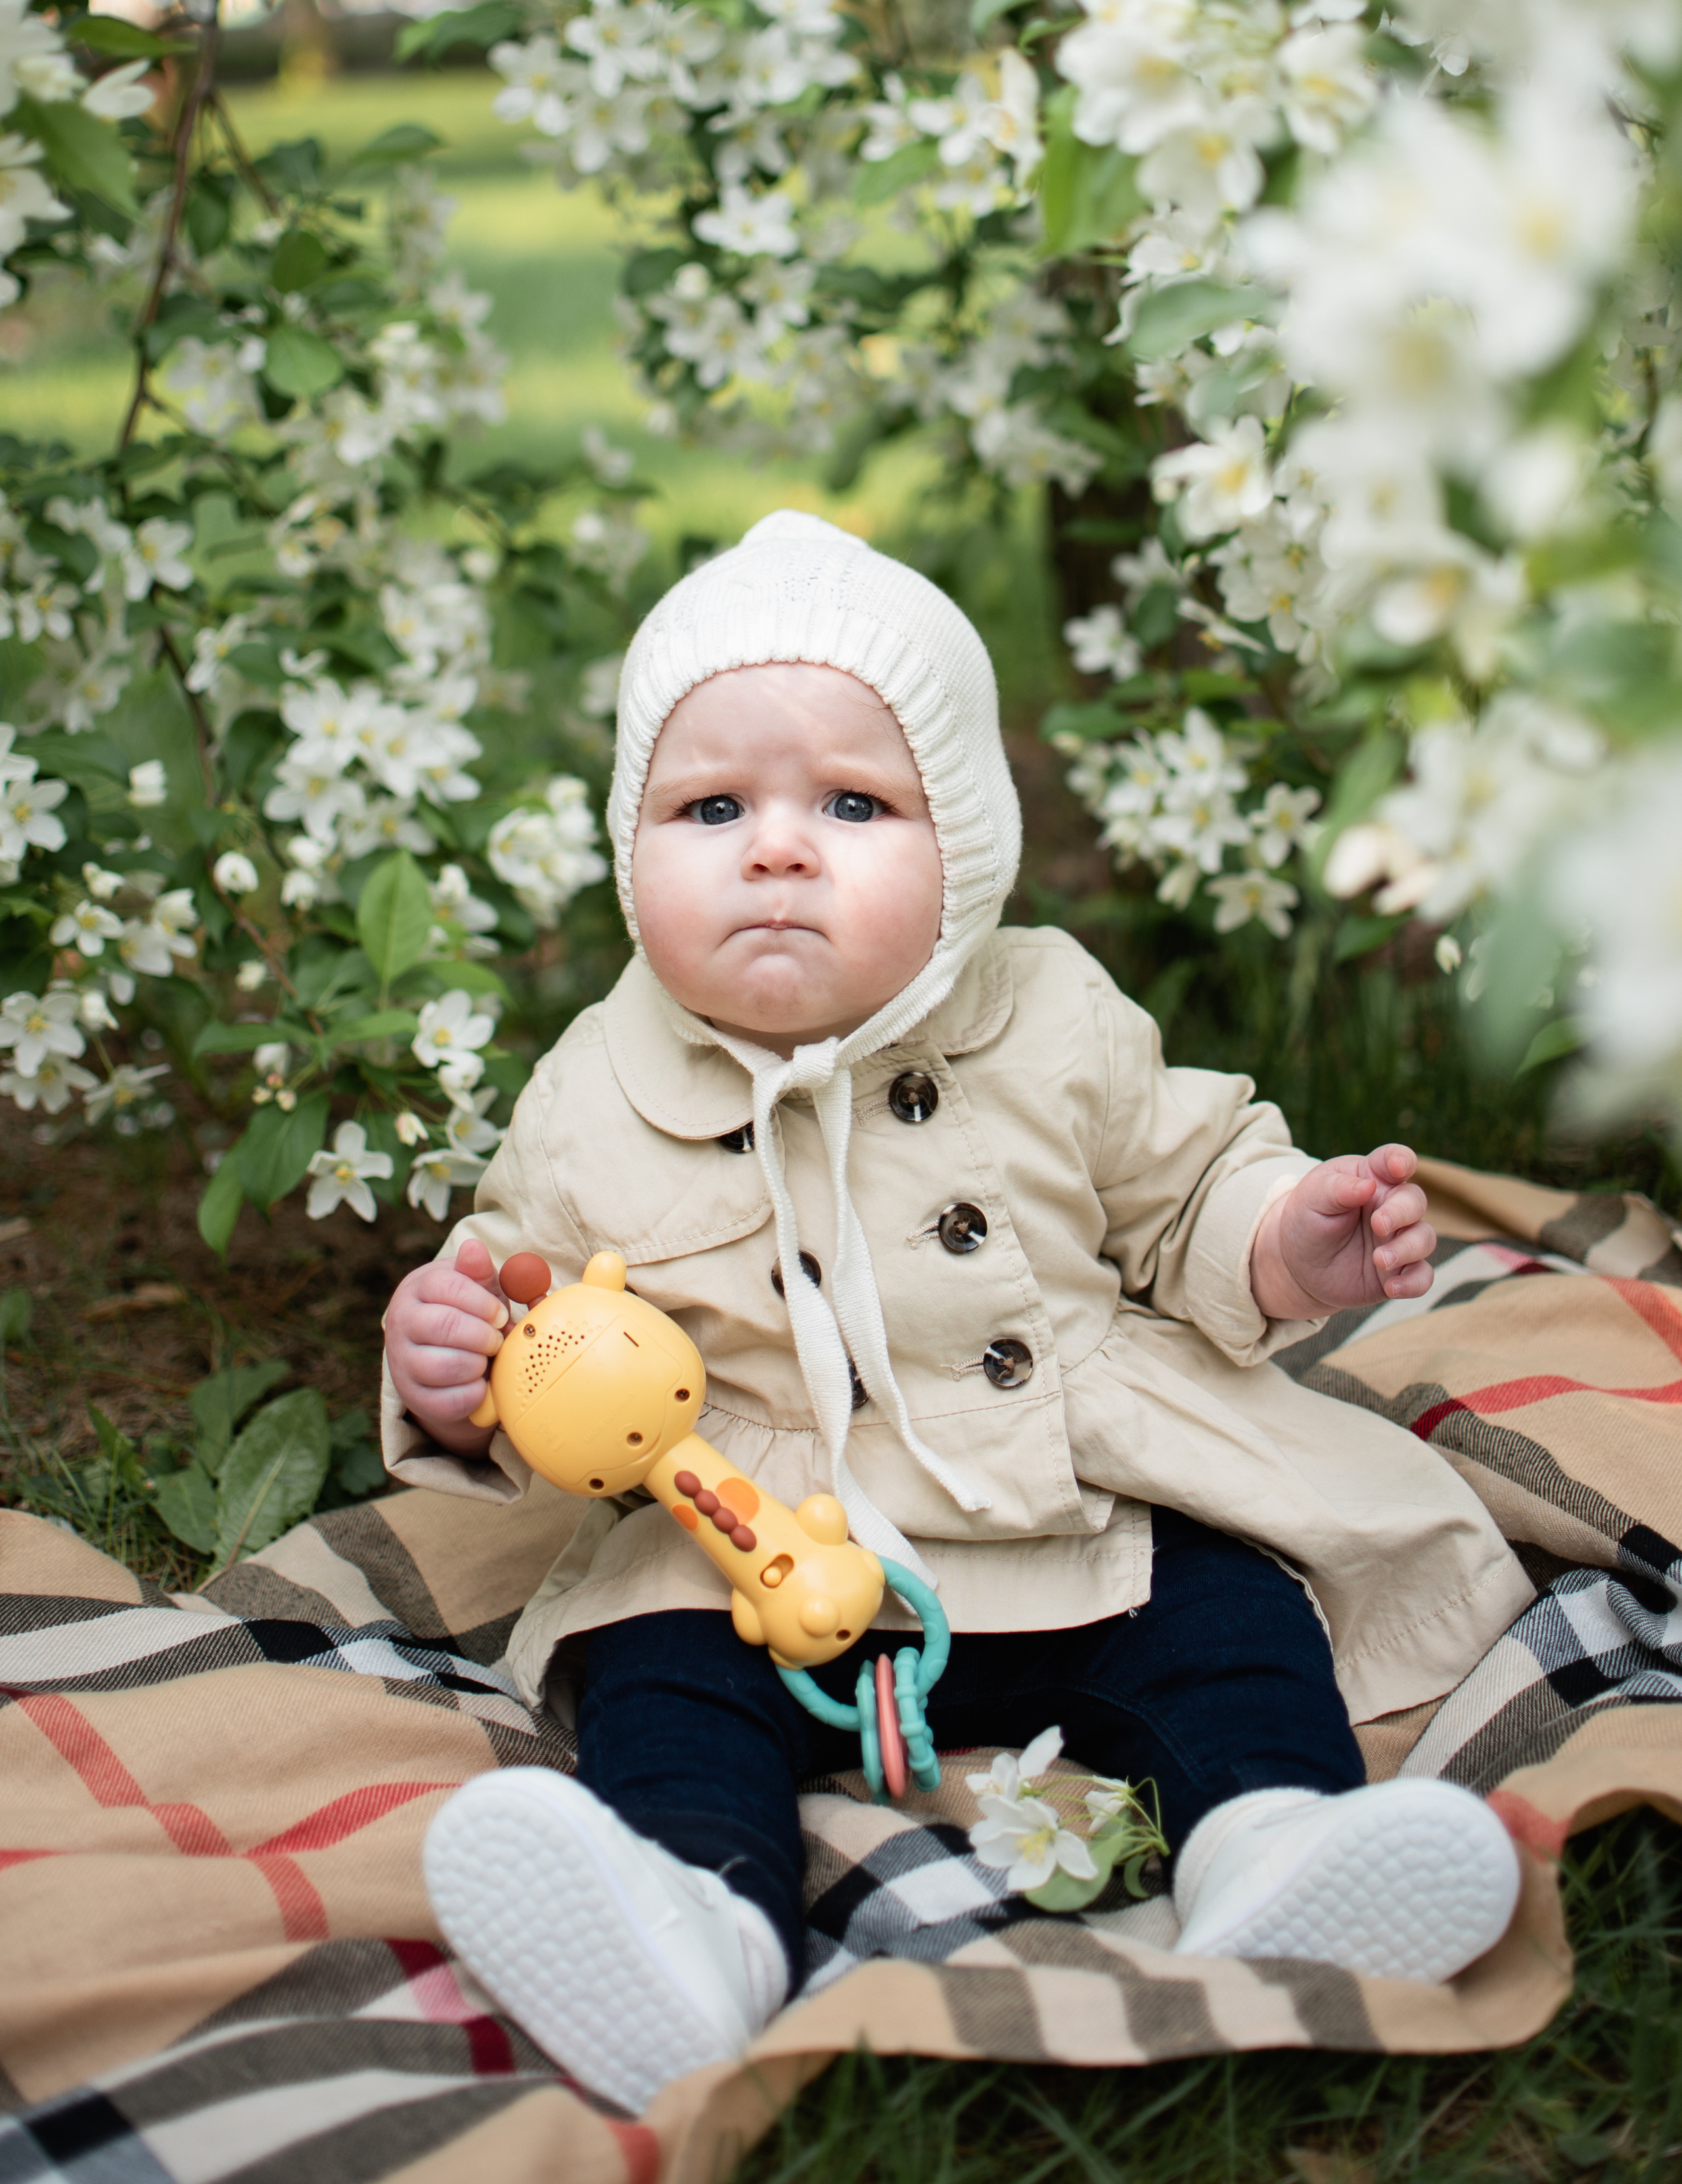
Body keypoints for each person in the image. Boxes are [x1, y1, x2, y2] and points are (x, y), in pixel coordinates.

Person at [384, 512, 1533, 2116]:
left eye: (852, 804)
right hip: (745, 1534)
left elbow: (1182, 1182)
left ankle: (1275, 1847)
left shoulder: (1050, 1008)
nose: (776, 848)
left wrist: (1292, 1242)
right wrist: (453, 1369)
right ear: (629, 841)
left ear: (969, 844)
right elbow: (523, 1306)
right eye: (709, 806)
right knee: (661, 1690)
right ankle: (685, 1923)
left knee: (1229, 1624)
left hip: (1064, 1488)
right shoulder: (594, 1086)